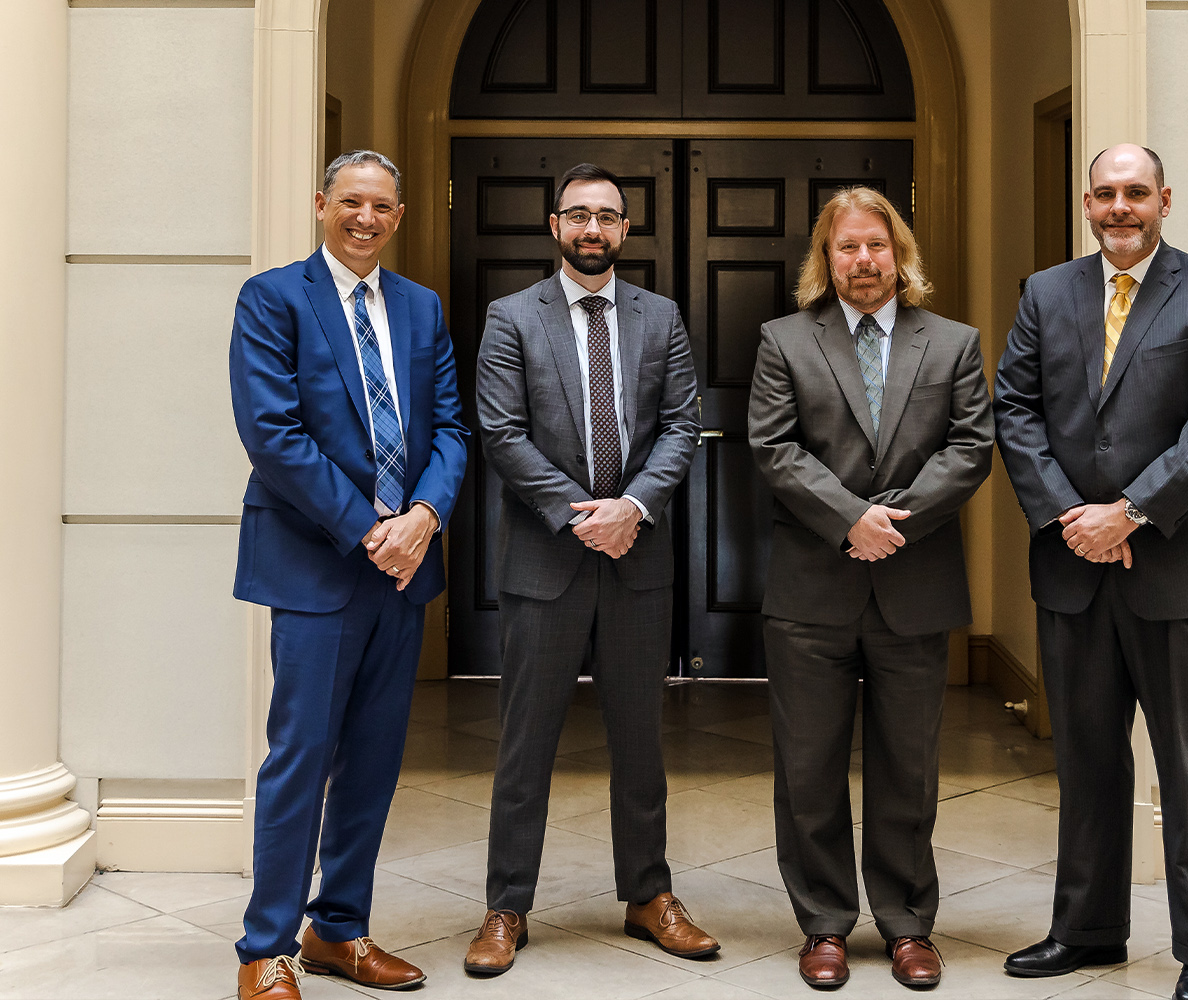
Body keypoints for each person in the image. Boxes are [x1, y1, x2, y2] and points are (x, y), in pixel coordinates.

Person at [992, 144, 1188, 1000]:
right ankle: (1088, 931)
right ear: (1086, 201)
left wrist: (1131, 512)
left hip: (1180, 571)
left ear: (1165, 201)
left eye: (1135, 193)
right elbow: (1016, 409)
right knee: (1087, 760)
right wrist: (1074, 518)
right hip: (1073, 567)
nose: (1119, 208)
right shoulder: (1045, 293)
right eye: (1105, 194)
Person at [228, 149, 469, 1000]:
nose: (365, 219)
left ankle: (339, 930)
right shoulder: (272, 299)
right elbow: (273, 434)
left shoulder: (420, 307)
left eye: (381, 207)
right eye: (350, 203)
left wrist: (425, 519)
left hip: (403, 571)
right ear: (320, 204)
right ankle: (266, 947)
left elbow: (450, 428)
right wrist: (373, 528)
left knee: (372, 758)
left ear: (399, 217)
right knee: (301, 756)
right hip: (316, 564)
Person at [465, 163, 716, 974]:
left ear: (626, 230)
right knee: (525, 743)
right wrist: (585, 515)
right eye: (578, 216)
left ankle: (648, 895)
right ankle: (507, 907)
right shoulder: (511, 318)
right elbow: (502, 434)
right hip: (547, 561)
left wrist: (632, 510)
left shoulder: (661, 317)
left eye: (607, 217)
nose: (593, 230)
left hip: (638, 560)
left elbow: (682, 425)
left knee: (641, 741)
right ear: (554, 226)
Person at [747, 187, 994, 990]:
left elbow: (971, 448)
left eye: (877, 247)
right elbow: (774, 449)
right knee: (808, 768)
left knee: (908, 768)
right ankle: (822, 923)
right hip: (811, 591)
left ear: (901, 256)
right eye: (847, 247)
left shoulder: (953, 344)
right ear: (826, 258)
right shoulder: (784, 340)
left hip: (915, 586)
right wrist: (851, 518)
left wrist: (894, 521)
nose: (863, 260)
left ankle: (908, 925)